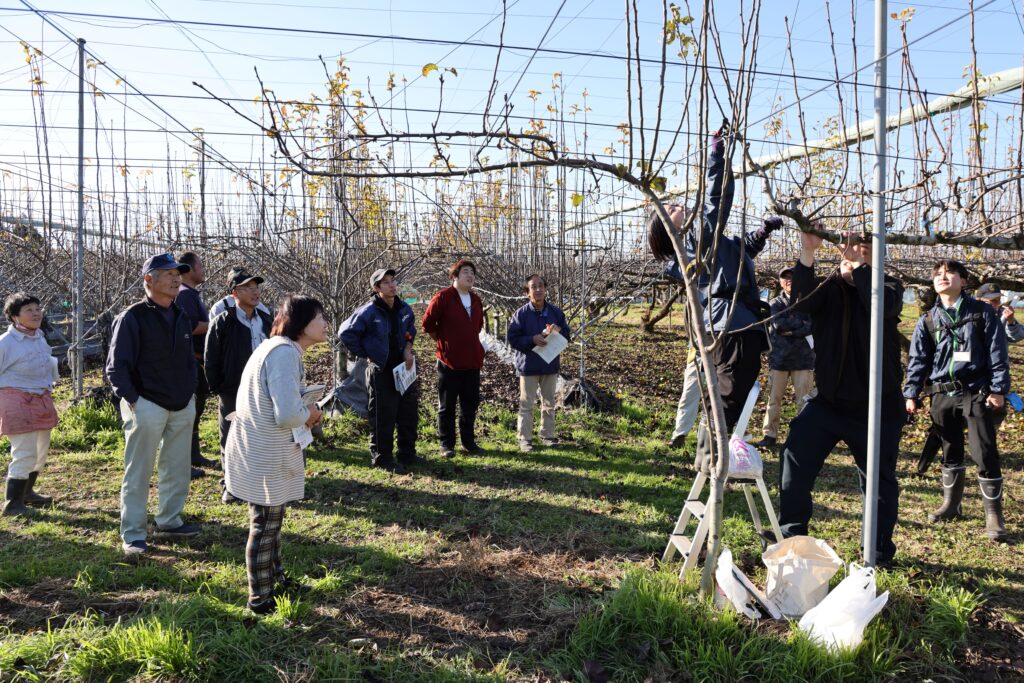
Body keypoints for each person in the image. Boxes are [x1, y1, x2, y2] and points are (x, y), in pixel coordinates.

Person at [647, 123, 783, 454]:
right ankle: (713, 460)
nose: (678, 205)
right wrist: (717, 152)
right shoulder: (694, 242)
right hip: (732, 326)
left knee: (728, 395)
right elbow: (716, 200)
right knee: (730, 398)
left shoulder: (701, 244)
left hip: (733, 322)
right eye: (672, 210)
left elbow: (738, 253)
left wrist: (763, 233)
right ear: (668, 227)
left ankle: (711, 458)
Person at [778, 229, 905, 566]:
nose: (856, 256)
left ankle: (877, 553)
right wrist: (807, 253)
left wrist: (861, 271)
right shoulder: (829, 289)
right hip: (830, 403)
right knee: (795, 457)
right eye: (851, 251)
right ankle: (792, 536)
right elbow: (801, 302)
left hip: (878, 408)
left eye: (864, 252)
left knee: (879, 482)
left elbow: (882, 306)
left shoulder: (889, 286)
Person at [223, 294, 326, 615]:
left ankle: (276, 579)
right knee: (265, 525)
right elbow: (286, 414)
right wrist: (309, 411)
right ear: (302, 323)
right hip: (265, 452)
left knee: (271, 520)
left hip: (261, 448)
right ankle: (260, 599)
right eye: (320, 317)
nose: (325, 324)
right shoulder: (283, 354)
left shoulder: (276, 348)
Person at [904, 260, 1010, 542]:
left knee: (984, 451)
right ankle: (951, 505)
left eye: (949, 273)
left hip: (976, 391)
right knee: (950, 448)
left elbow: (997, 353)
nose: (942, 277)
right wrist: (912, 391)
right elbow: (918, 359)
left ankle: (993, 516)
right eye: (937, 274)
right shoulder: (928, 319)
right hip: (941, 394)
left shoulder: (983, 313)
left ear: (963, 281)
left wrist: (998, 389)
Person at [106, 253, 201, 556]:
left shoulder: (181, 316)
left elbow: (187, 360)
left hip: (181, 403)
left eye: (178, 273)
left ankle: (169, 521)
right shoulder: (132, 317)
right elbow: (116, 367)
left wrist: (190, 393)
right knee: (139, 471)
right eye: (169, 273)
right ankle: (133, 534)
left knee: (176, 467)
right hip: (146, 404)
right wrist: (134, 401)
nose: (176, 278)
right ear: (149, 279)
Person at [338, 268, 420, 473]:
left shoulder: (404, 309)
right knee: (383, 414)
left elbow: (411, 330)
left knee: (408, 411)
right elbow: (346, 333)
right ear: (376, 288)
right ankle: (382, 458)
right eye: (386, 283)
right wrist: (366, 354)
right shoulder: (368, 311)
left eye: (393, 281)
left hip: (403, 367)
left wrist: (408, 349)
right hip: (381, 368)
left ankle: (407, 454)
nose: (392, 285)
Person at [204, 267, 272, 501]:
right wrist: (219, 388)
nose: (255, 292)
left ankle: (257, 482)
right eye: (248, 288)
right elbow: (210, 358)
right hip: (232, 389)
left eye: (256, 287)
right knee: (231, 437)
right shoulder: (223, 322)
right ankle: (231, 486)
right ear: (234, 293)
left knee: (260, 435)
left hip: (262, 389)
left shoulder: (266, 319)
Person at [0, 293, 59, 516]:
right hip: (15, 399)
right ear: (15, 317)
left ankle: (27, 492)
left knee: (40, 450)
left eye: (37, 308)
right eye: (28, 310)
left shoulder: (39, 336)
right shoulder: (6, 343)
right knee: (24, 451)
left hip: (41, 397)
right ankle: (12, 503)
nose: (36, 313)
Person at [422, 259, 485, 458]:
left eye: (472, 273)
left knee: (470, 404)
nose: (470, 276)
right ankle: (446, 444)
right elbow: (428, 324)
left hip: (472, 361)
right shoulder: (443, 297)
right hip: (449, 362)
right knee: (447, 405)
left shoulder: (475, 300)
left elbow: (478, 326)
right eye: (465, 272)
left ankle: (469, 442)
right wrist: (444, 343)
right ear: (454, 276)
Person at [506, 274, 571, 452]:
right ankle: (525, 438)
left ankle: (547, 435)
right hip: (529, 365)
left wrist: (559, 331)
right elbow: (513, 339)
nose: (538, 289)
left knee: (549, 402)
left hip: (549, 364)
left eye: (541, 286)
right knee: (527, 403)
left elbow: (567, 335)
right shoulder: (521, 314)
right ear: (527, 292)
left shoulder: (556, 313)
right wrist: (531, 339)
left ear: (546, 289)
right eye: (533, 287)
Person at [756, 267, 815, 449]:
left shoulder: (808, 302)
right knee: (774, 399)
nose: (788, 281)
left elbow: (811, 326)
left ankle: (804, 434)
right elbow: (779, 325)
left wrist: (794, 329)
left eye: (792, 277)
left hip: (803, 360)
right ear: (780, 282)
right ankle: (769, 434)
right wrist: (799, 327)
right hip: (779, 359)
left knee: (804, 400)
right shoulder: (775, 303)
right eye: (785, 278)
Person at [175, 251, 214, 477]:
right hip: (191, 361)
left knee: (196, 411)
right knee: (188, 412)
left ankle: (194, 455)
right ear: (188, 269)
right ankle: (182, 462)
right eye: (200, 266)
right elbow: (186, 327)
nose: (203, 270)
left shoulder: (190, 294)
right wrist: (212, 325)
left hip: (197, 361)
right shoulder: (185, 295)